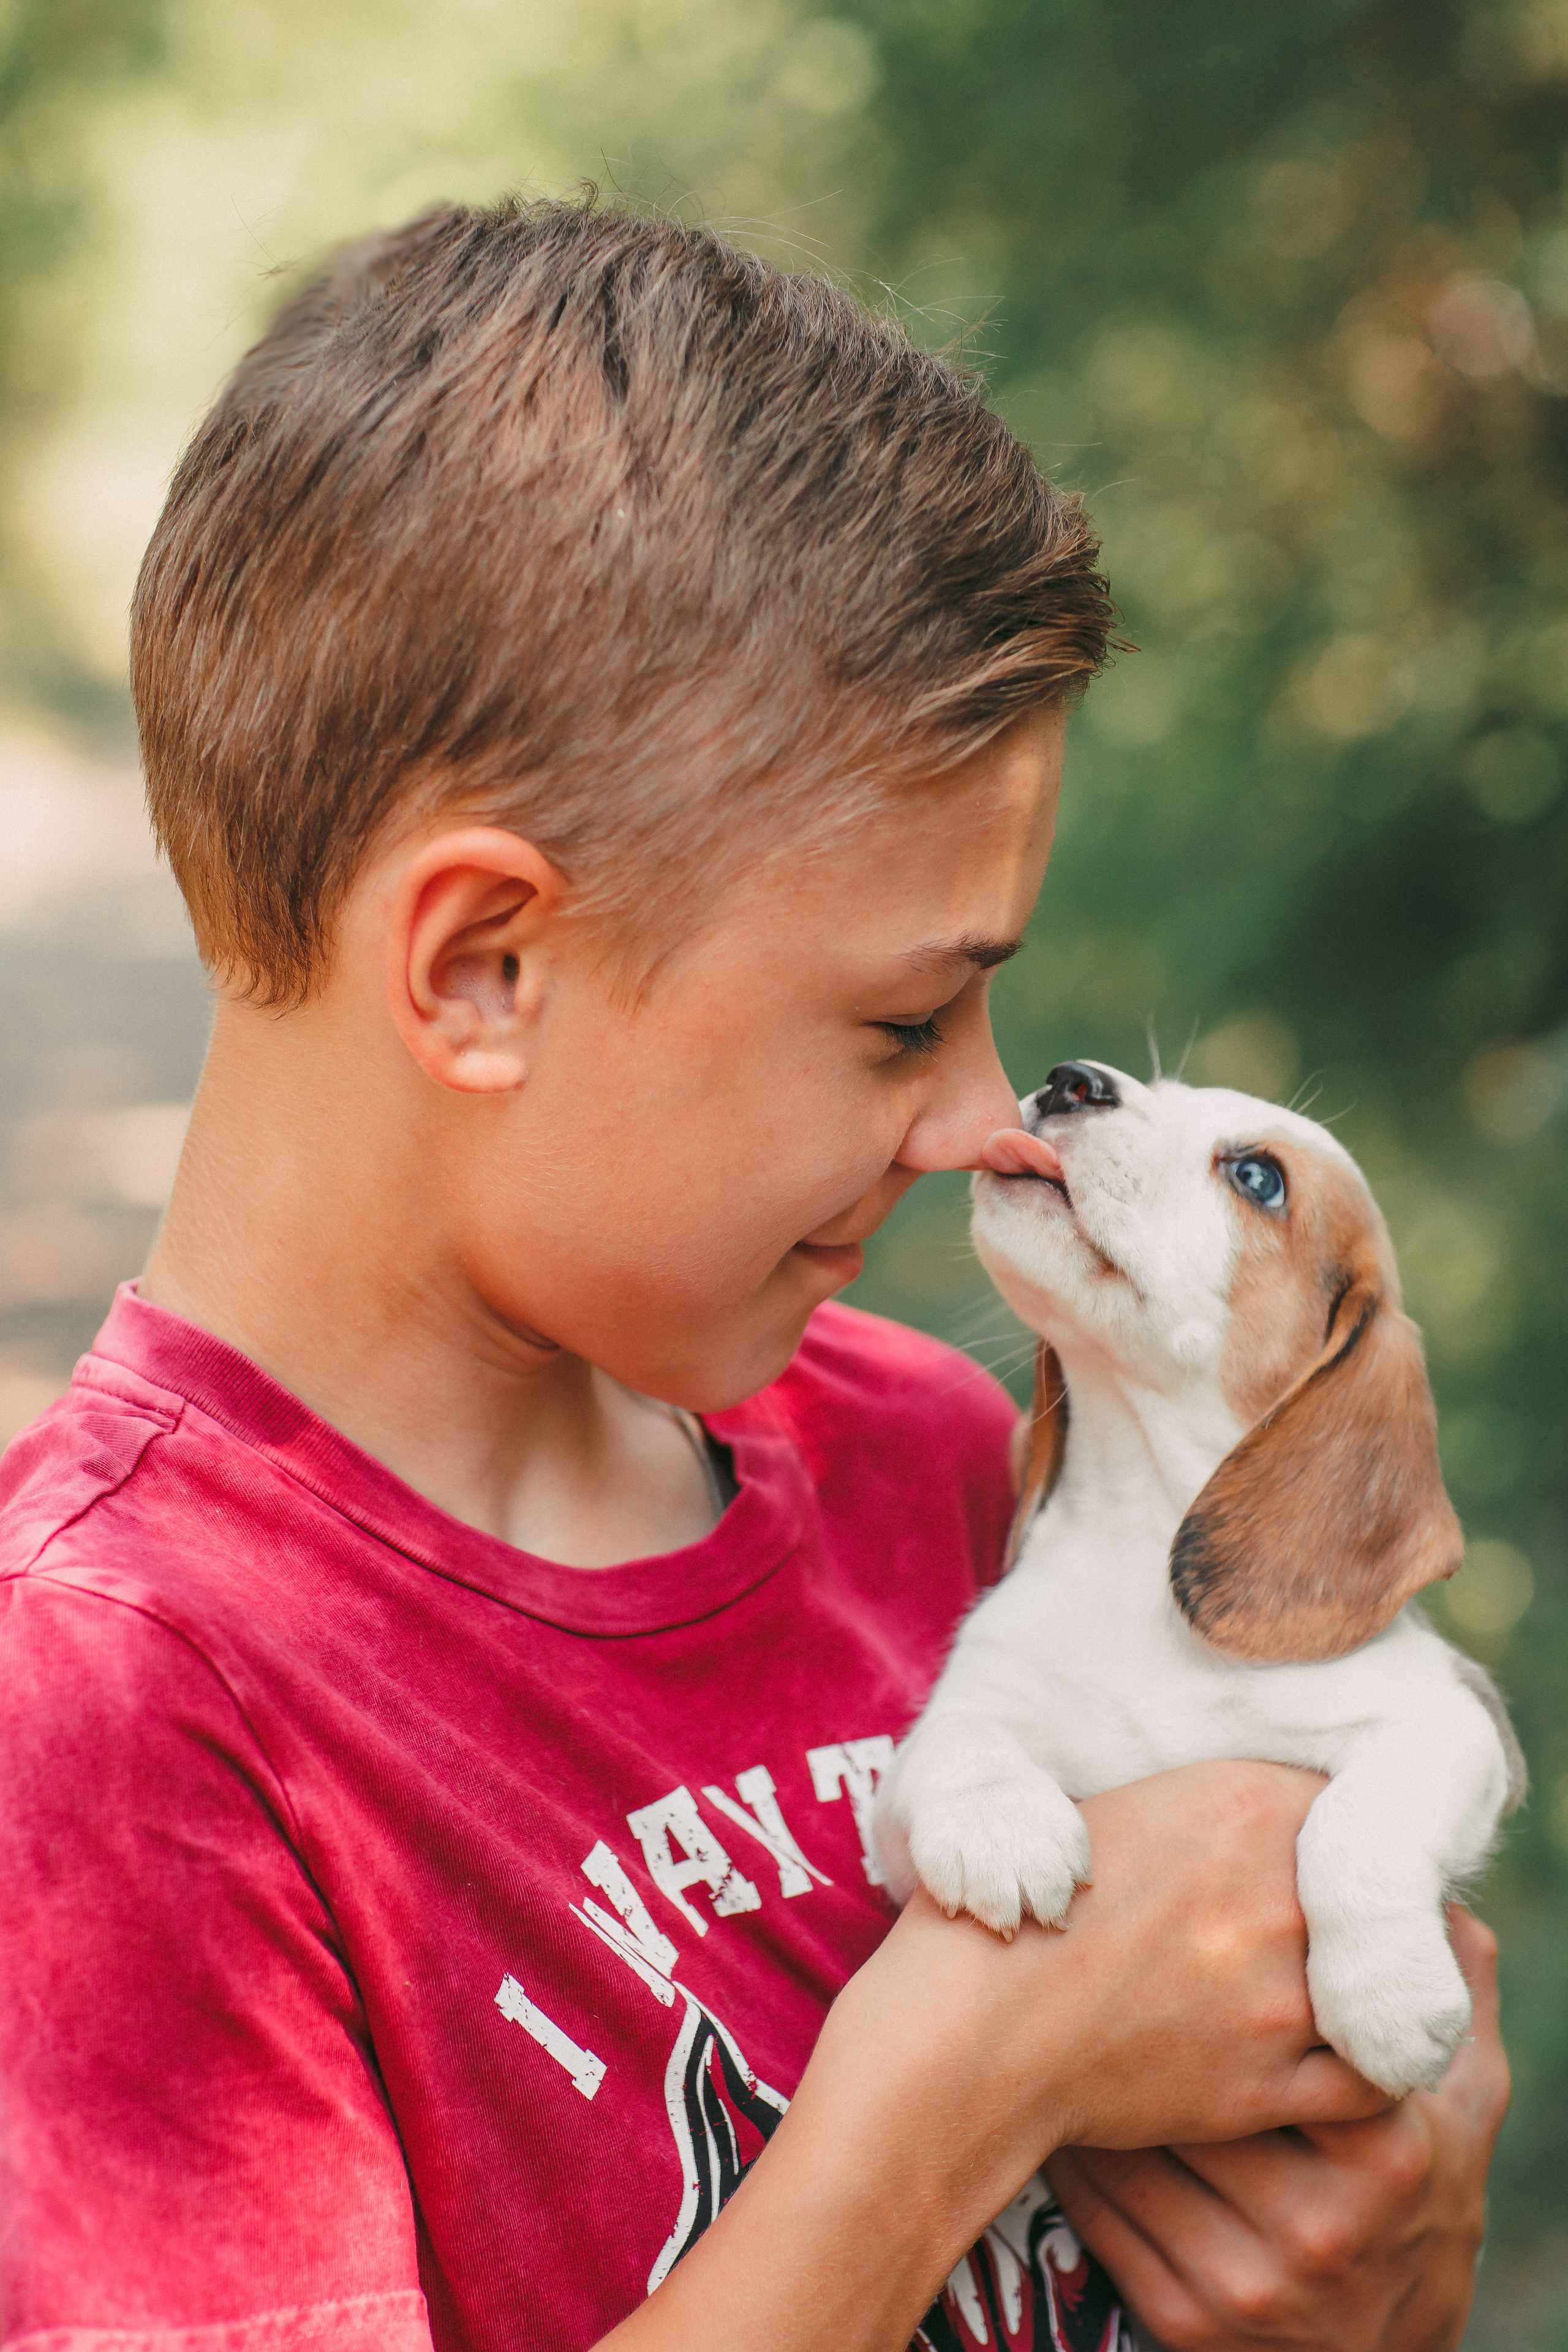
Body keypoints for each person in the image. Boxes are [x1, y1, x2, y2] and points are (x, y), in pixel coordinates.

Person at [0, 198, 1506, 2352]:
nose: (992, 1122)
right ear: (484, 968)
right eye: (905, 1023)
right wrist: (978, 2077)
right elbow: (1008, 2071)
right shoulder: (108, 1712)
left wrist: (1400, 2270)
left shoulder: (936, 1454)